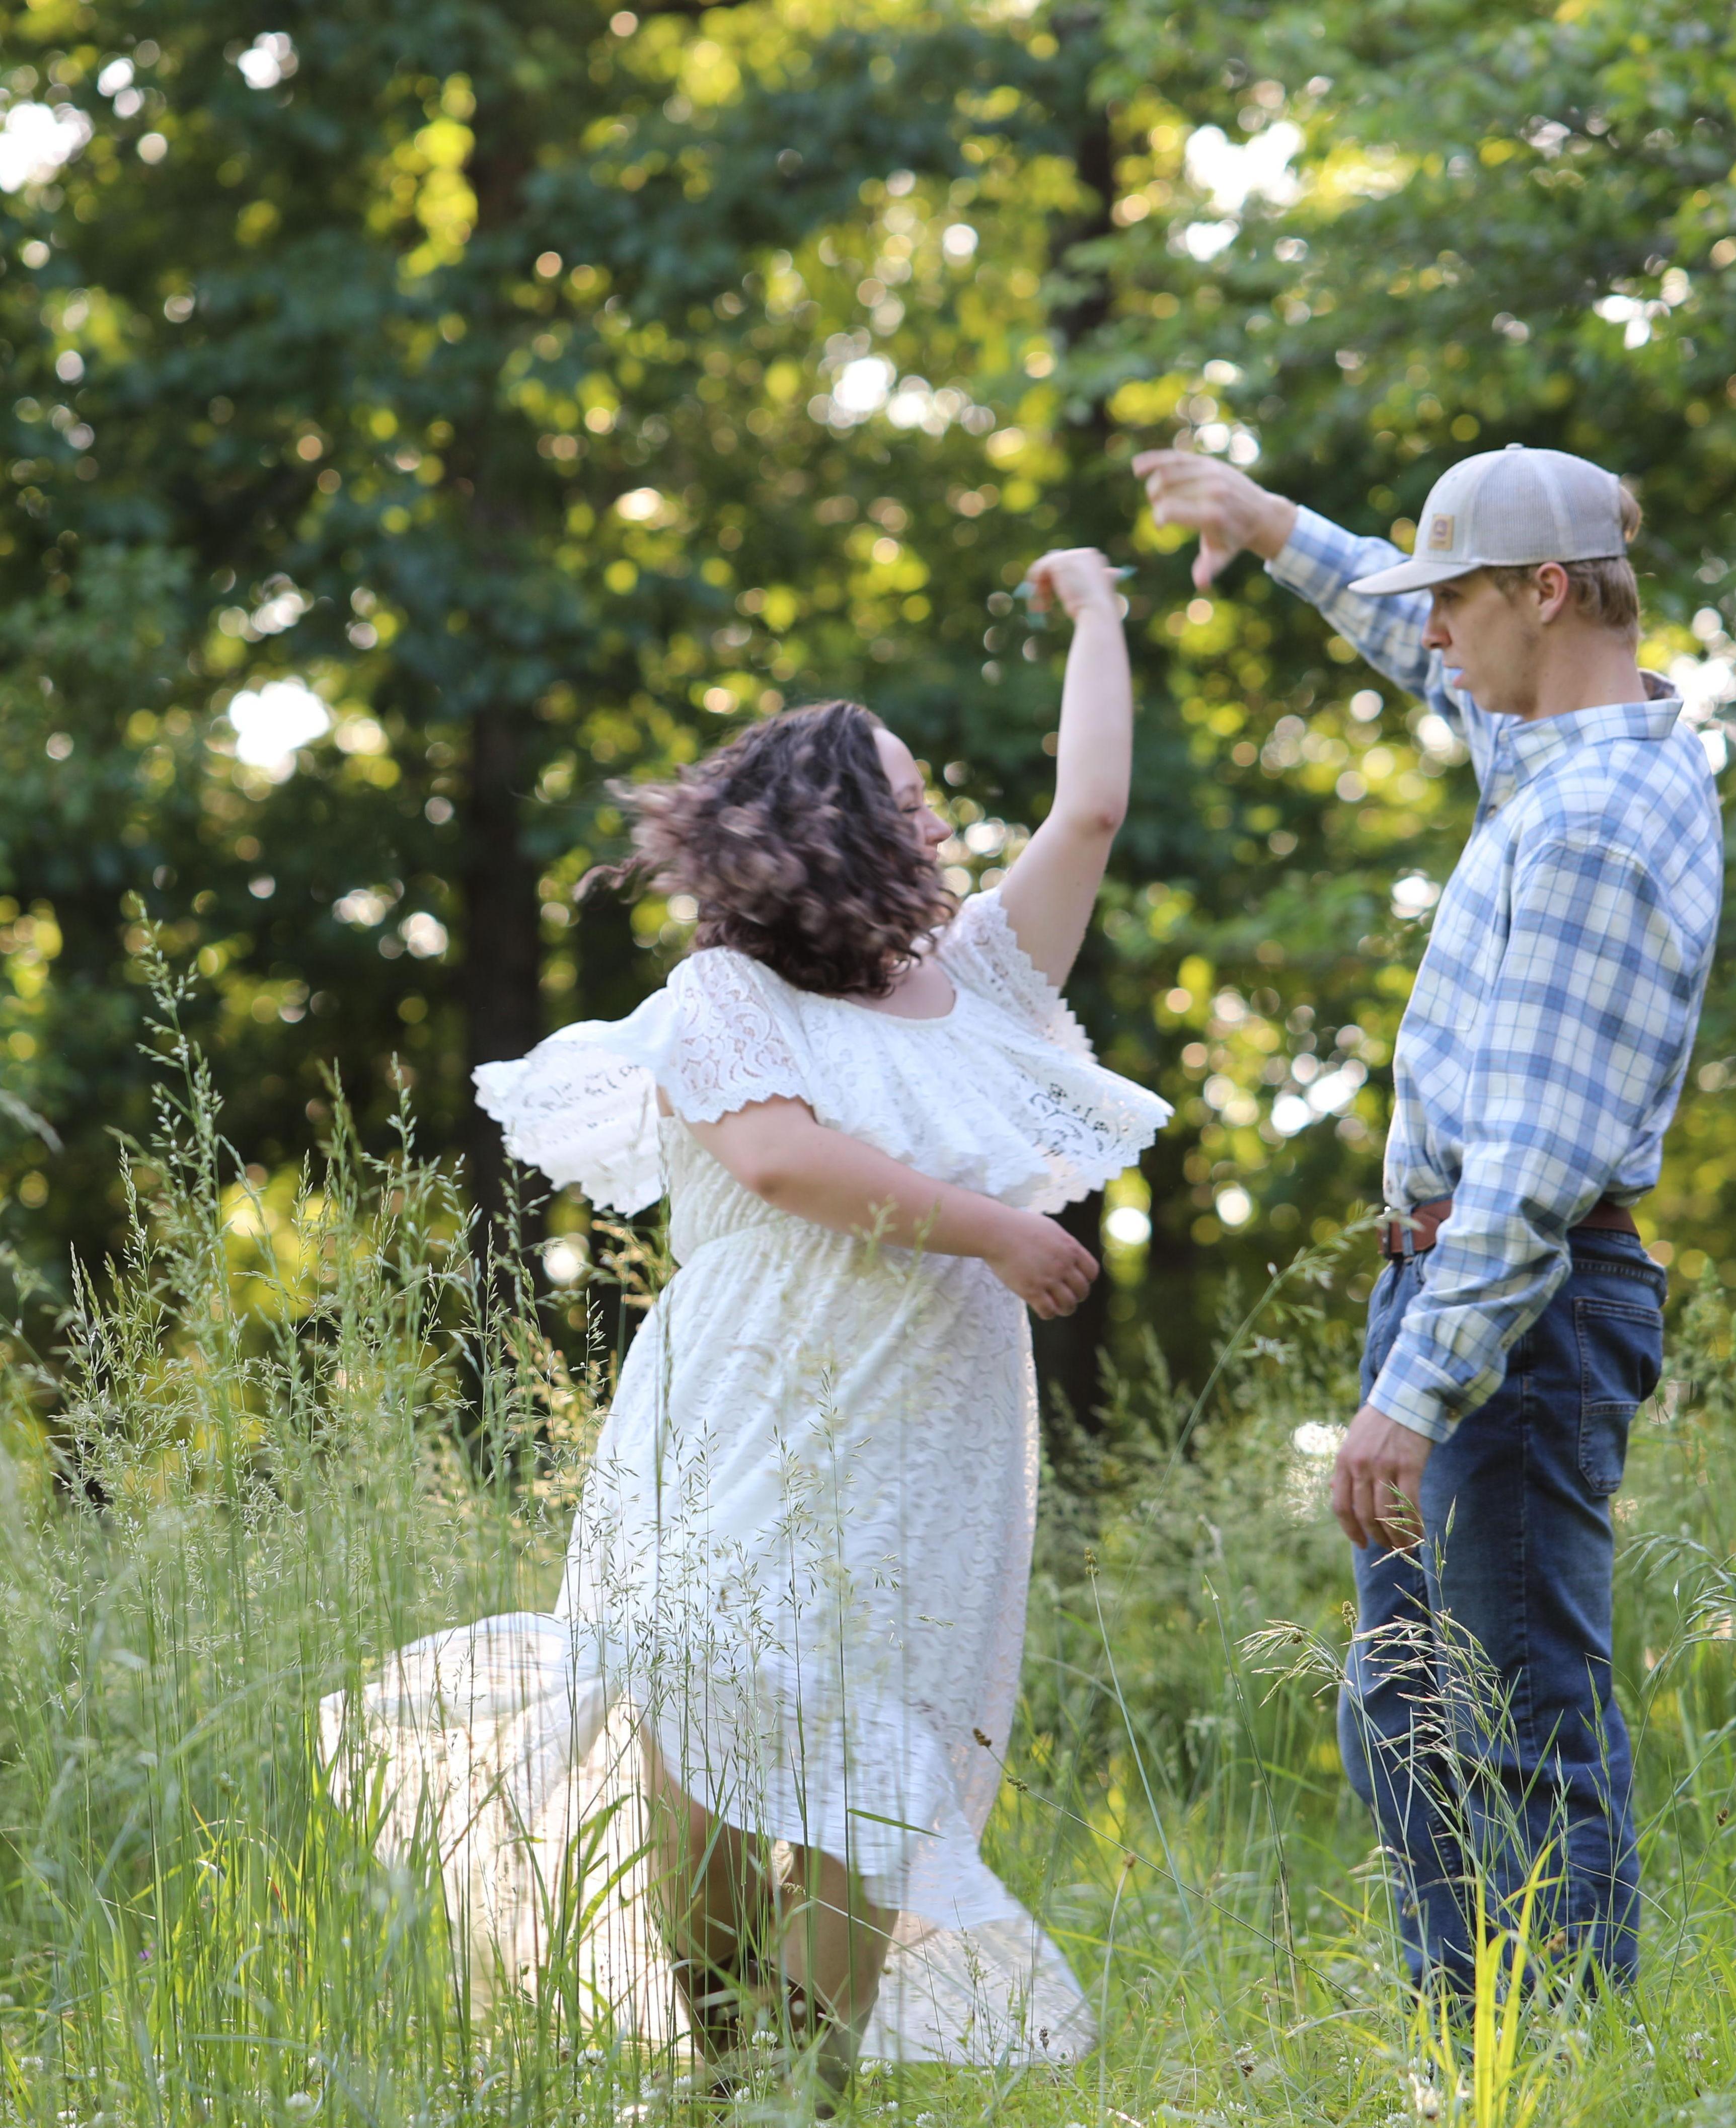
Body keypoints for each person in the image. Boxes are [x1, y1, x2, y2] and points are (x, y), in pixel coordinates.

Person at [320, 547, 1167, 2094]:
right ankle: (722, 2065)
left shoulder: (980, 982)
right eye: (907, 799)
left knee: (878, 1767)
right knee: (699, 1735)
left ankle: (800, 2094)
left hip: (931, 1436)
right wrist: (995, 1226)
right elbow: (780, 1158)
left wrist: (1102, 615)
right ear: (831, 828)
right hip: (748, 1411)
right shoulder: (724, 997)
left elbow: (1090, 811)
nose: (937, 824)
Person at [1133, 442, 1722, 1993]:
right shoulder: (1556, 747)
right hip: (1476, 1284)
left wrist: (1412, 1392)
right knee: (1406, 1704)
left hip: (1515, 1300)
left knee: (1515, 1718)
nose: (1434, 630)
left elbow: (1529, 1161)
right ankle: (1467, 2051)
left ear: (1547, 590)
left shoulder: (1588, 824)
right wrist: (1272, 528)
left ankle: (1560, 2064)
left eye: (1457, 596)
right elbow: (1424, 649)